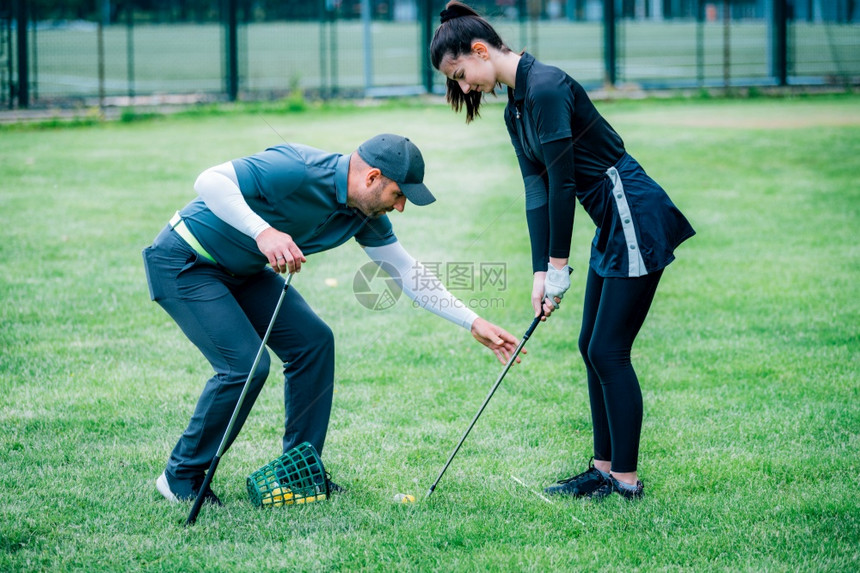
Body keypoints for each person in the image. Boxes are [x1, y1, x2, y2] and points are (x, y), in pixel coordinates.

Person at [142, 133, 522, 504]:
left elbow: (404, 270)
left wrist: (473, 322)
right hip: (185, 261)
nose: (401, 207)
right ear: (372, 177)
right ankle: (181, 477)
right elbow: (208, 180)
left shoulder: (363, 213)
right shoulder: (298, 167)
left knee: (314, 342)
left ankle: (298, 474)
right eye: (399, 195)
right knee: (244, 367)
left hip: (243, 271)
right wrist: (265, 233)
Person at [430, 2, 695, 500]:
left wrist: (557, 265)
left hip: (632, 211)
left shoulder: (547, 87)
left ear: (481, 51)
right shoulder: (515, 106)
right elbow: (536, 189)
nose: (465, 88)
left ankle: (626, 481)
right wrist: (539, 273)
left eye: (462, 74)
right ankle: (602, 468)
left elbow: (563, 183)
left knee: (607, 350)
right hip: (611, 221)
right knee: (589, 346)